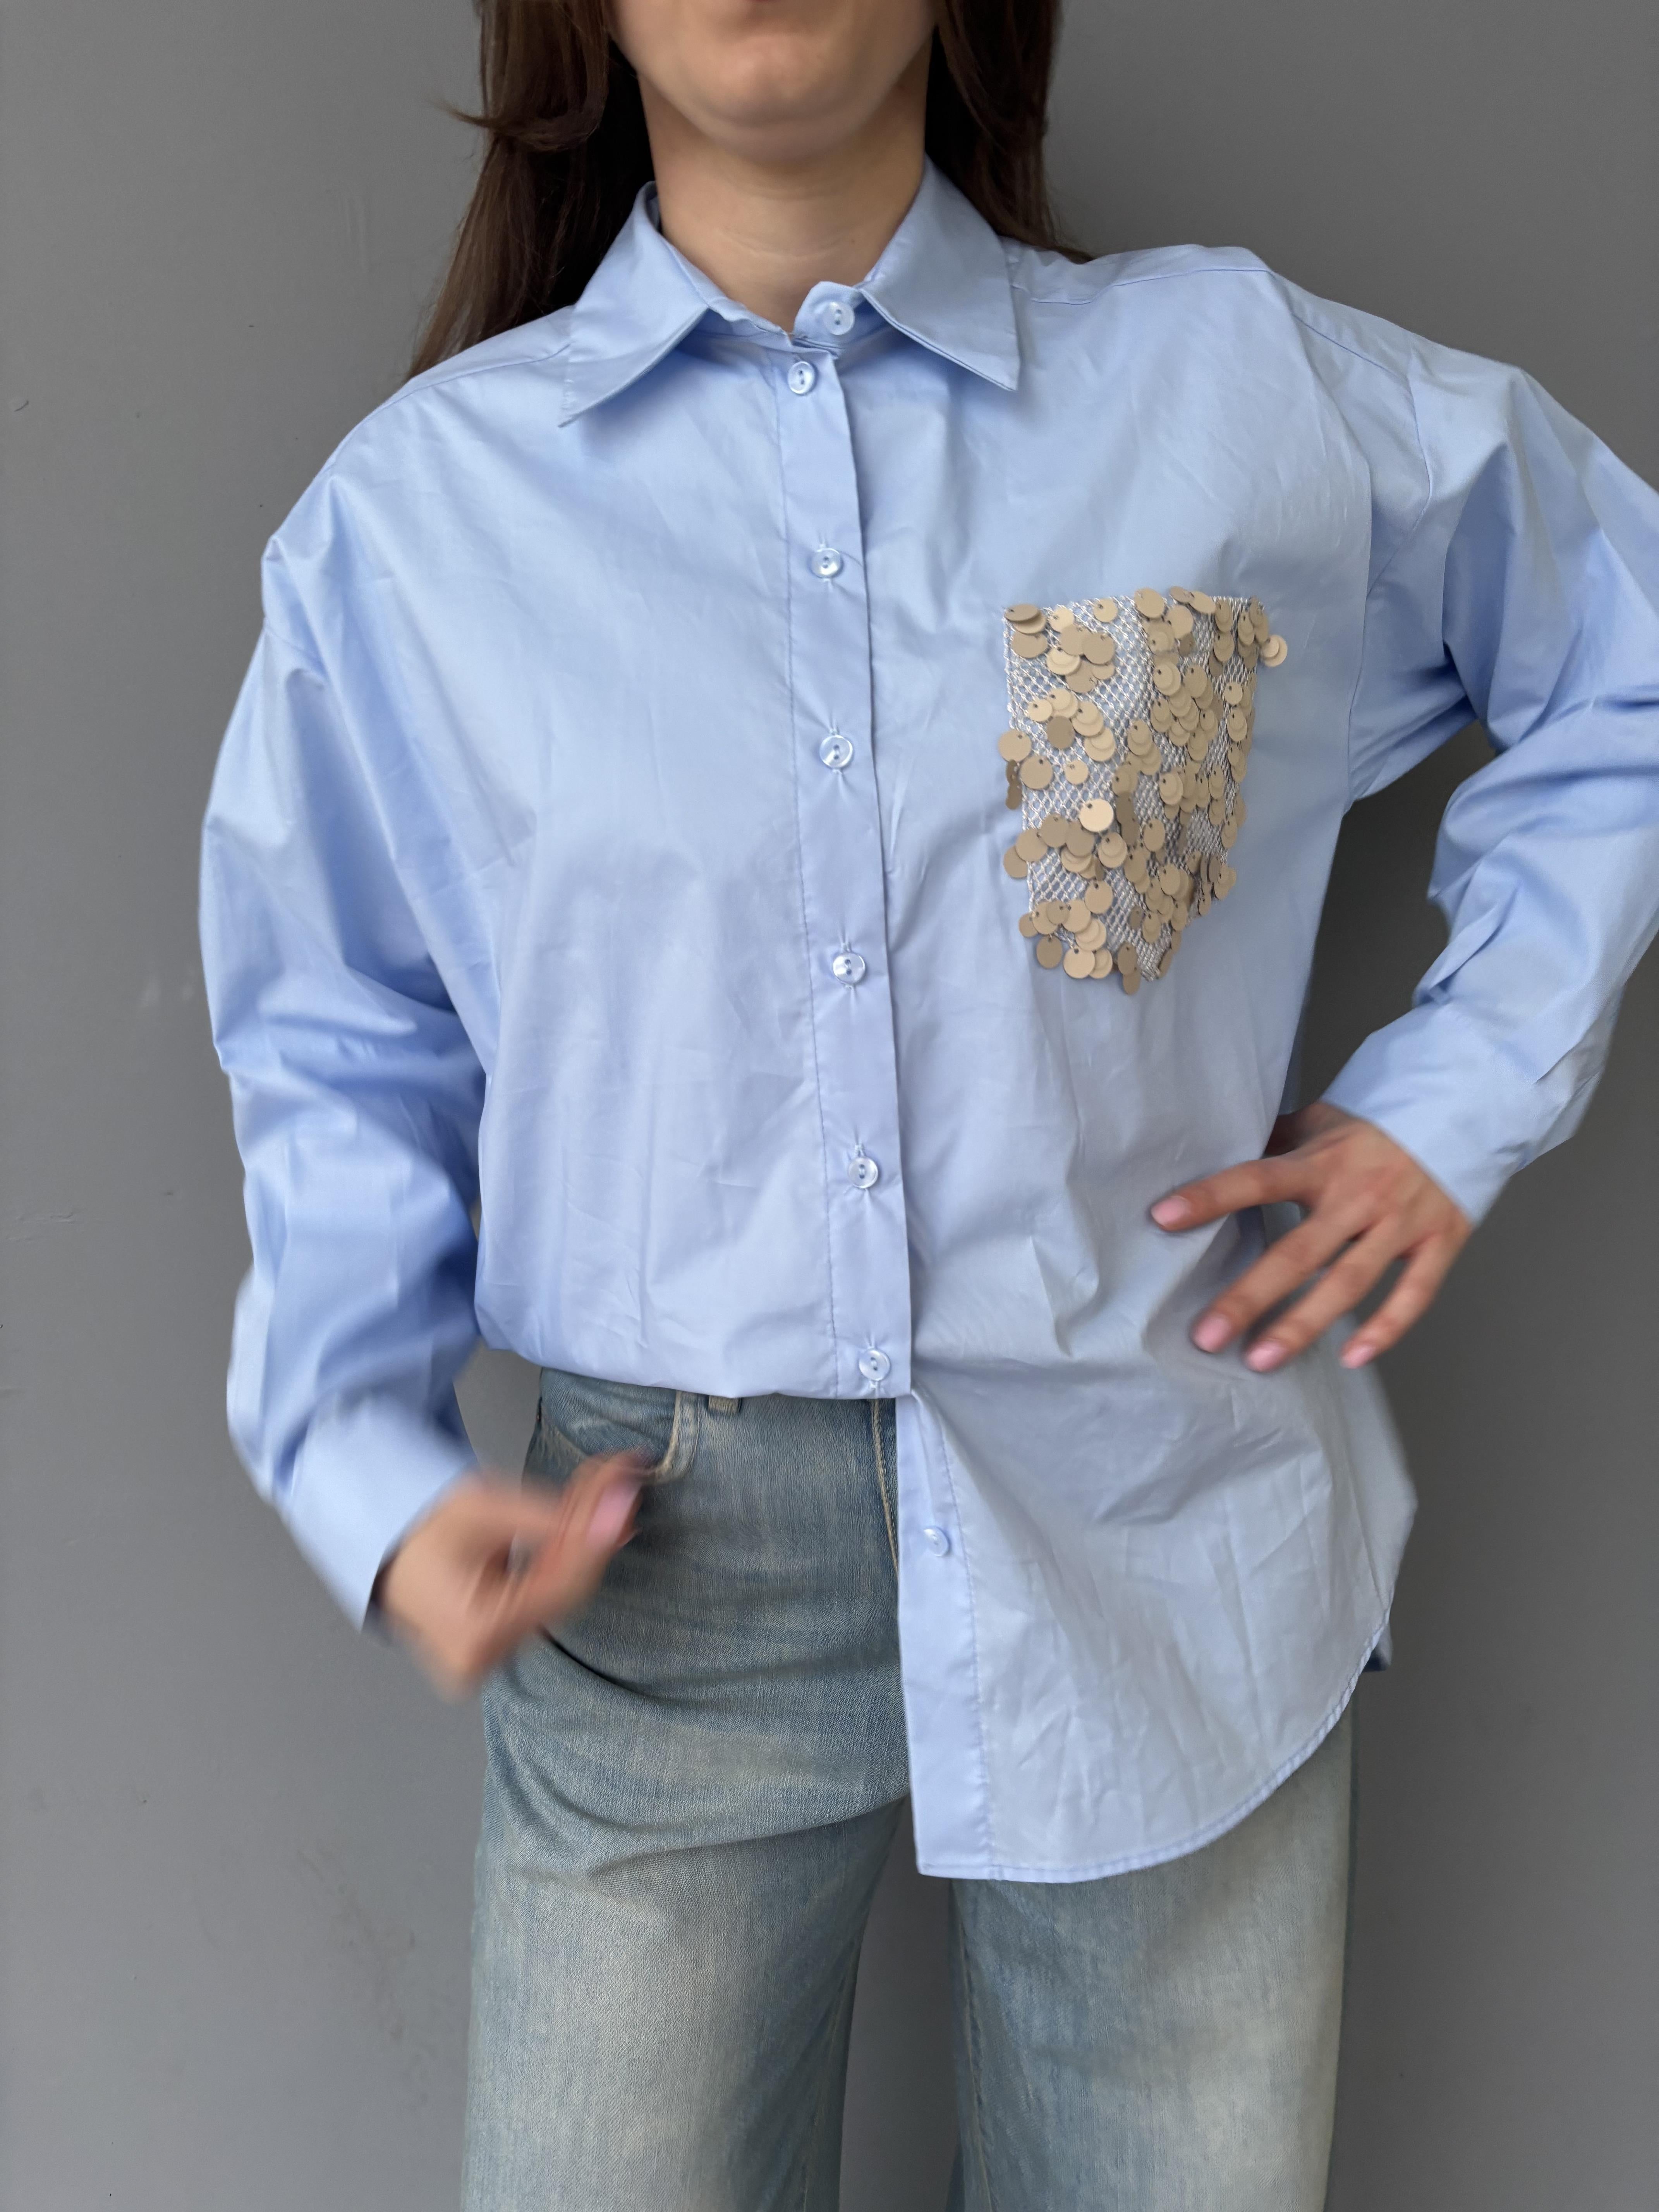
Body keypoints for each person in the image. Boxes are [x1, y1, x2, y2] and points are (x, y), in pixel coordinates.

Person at [198, 0, 1659, 2204]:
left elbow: (1627, 642)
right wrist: (365, 1461)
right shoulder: (419, 522)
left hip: (1169, 1508)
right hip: (659, 1567)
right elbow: (336, 1030)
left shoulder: (1228, 388)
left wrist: (1457, 1098)